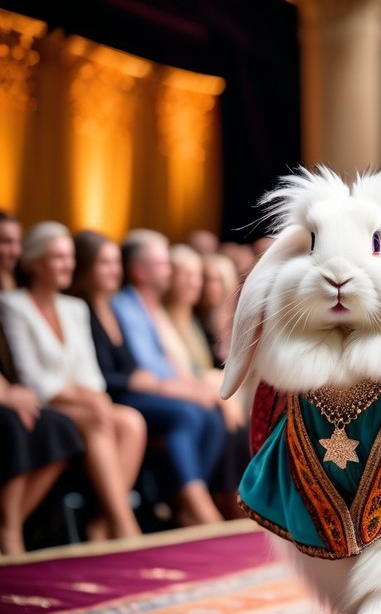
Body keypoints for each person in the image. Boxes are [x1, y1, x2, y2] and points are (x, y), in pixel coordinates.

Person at [70, 230, 229, 526]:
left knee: (209, 414)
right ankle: (191, 501)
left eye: (115, 262)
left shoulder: (114, 308)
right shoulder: (110, 307)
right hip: (118, 395)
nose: (115, 269)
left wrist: (180, 385)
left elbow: (149, 365)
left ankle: (186, 500)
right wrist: (159, 383)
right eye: (106, 263)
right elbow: (122, 373)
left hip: (134, 391)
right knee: (187, 414)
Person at [0, 222, 144, 541]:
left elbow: (90, 375)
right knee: (97, 418)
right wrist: (87, 398)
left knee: (132, 421)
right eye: (57, 257)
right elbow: (33, 380)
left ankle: (101, 523)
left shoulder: (75, 307)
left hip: (77, 402)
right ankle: (124, 526)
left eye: (69, 257)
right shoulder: (13, 305)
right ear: (34, 263)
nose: (68, 264)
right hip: (48, 403)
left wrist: (91, 395)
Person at [0, 212, 85, 555]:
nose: (12, 250)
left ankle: (11, 526)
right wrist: (7, 392)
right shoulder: (14, 301)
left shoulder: (9, 291)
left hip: (16, 394)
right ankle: (10, 531)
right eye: (4, 241)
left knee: (58, 428)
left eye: (15, 242)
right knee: (18, 424)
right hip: (11, 397)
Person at [163, 244, 249, 519]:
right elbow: (190, 372)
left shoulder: (194, 322)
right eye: (195, 275)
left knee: (236, 421)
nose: (199, 283)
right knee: (221, 420)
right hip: (189, 395)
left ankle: (237, 498)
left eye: (200, 276)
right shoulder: (186, 320)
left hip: (209, 394)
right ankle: (218, 500)